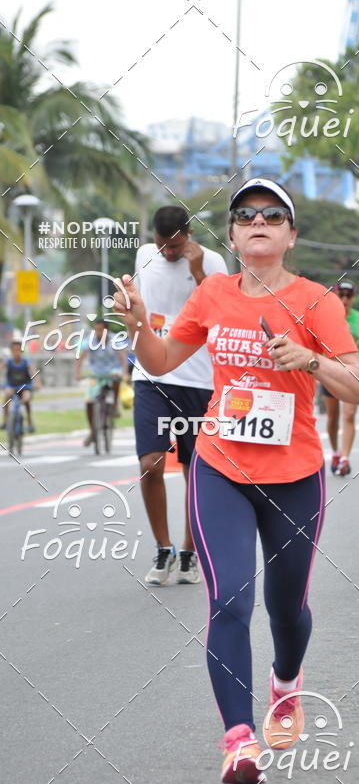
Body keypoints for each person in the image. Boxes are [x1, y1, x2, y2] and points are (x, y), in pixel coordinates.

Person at [115, 178, 359, 784]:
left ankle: (286, 682)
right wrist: (134, 325)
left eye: (273, 215)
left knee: (288, 609)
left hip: (294, 474)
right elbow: (159, 362)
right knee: (229, 597)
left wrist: (310, 360)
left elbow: (357, 388)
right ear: (230, 234)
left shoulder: (317, 301)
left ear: (290, 234)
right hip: (221, 466)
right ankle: (238, 740)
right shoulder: (213, 296)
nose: (259, 222)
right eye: (246, 215)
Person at [132, 206, 227, 586]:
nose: (168, 254)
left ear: (189, 234)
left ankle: (189, 553)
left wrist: (199, 270)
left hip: (199, 381)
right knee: (150, 463)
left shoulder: (215, 261)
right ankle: (163, 548)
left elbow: (221, 313)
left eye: (175, 247)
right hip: (151, 376)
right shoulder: (142, 255)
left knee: (195, 471)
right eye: (162, 246)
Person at [323, 281, 359, 475]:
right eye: (341, 295)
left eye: (348, 296)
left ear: (353, 298)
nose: (344, 299)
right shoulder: (327, 315)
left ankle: (345, 458)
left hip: (353, 371)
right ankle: (335, 452)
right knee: (333, 416)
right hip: (331, 370)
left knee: (349, 415)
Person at [75, 319, 129, 445]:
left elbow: (122, 358)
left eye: (101, 330)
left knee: (117, 378)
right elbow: (80, 358)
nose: (98, 333)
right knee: (89, 401)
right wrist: (78, 373)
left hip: (113, 370)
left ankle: (115, 406)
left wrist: (125, 373)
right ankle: (92, 431)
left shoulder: (115, 340)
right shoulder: (90, 341)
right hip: (96, 374)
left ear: (107, 330)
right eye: (96, 330)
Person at [2, 339, 37, 432]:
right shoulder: (8, 362)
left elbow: (34, 371)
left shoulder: (26, 362)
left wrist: (38, 383)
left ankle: (29, 421)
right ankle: (5, 422)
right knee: (6, 399)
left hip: (25, 387)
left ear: (22, 351)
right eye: (14, 350)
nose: (16, 353)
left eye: (18, 350)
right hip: (11, 387)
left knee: (27, 399)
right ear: (11, 351)